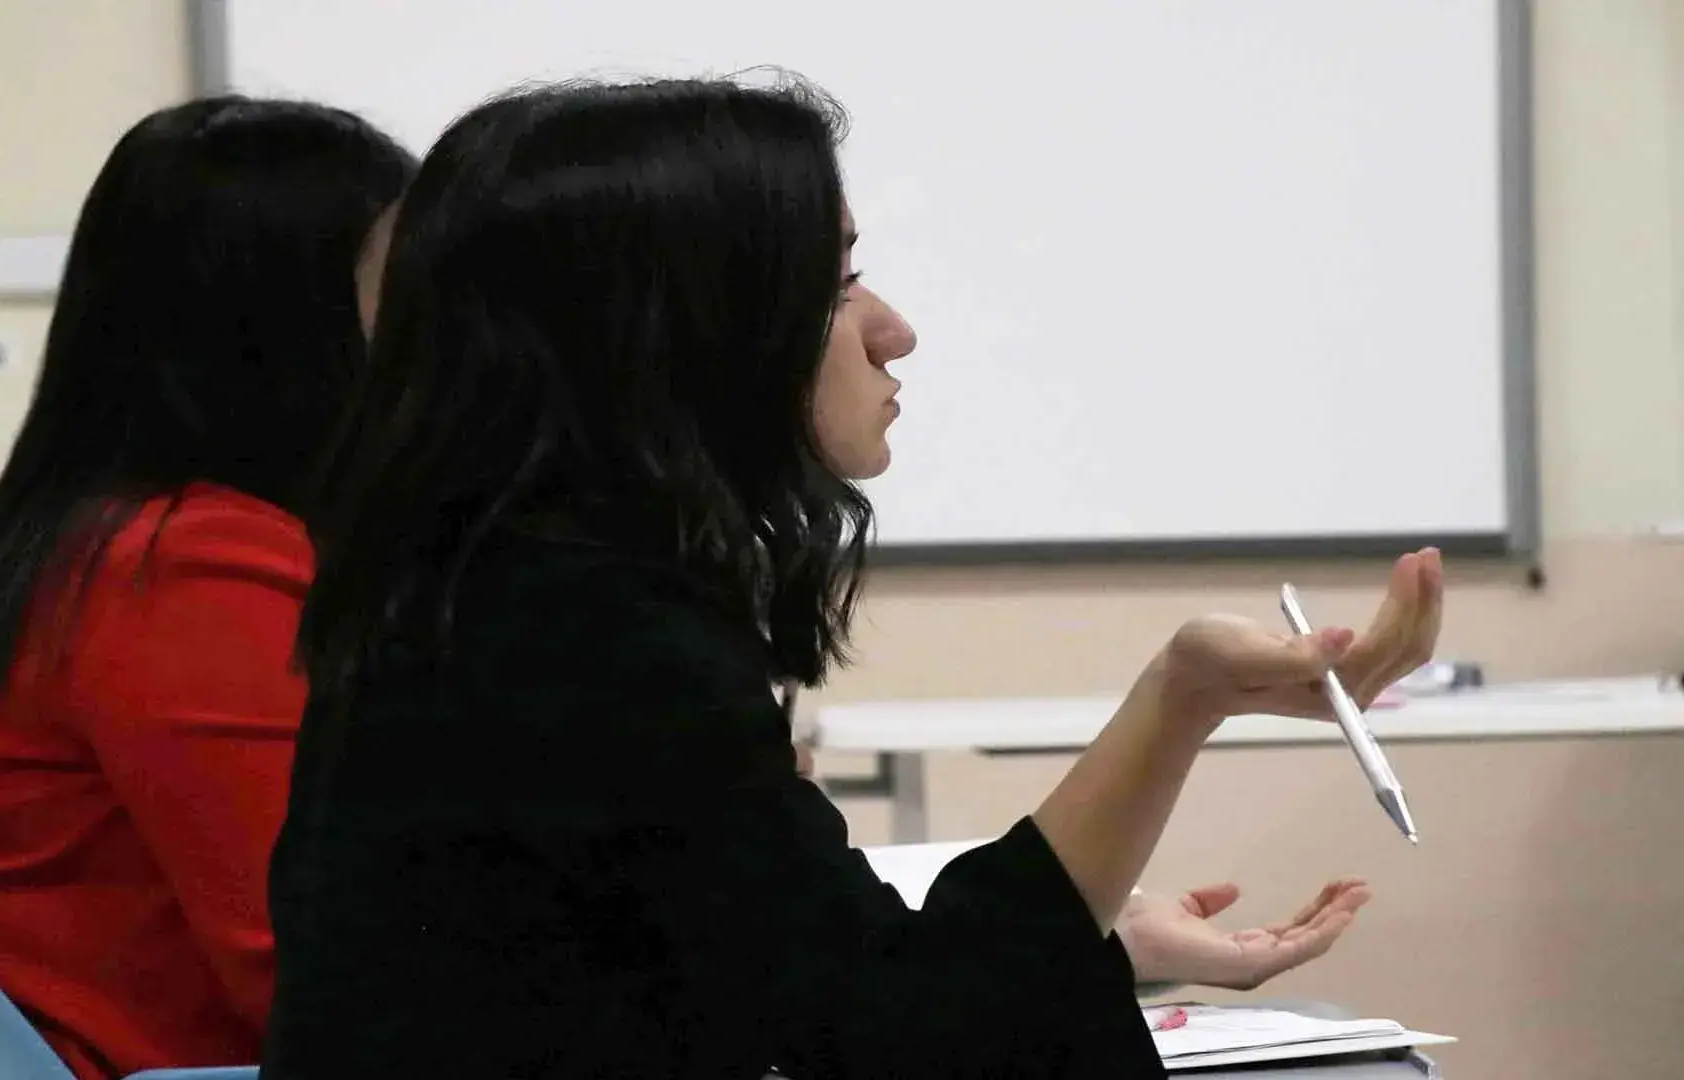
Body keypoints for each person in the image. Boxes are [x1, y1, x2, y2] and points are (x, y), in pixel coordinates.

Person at [264, 76, 1444, 1078]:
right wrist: (1182, 698)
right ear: (687, 333)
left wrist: (1181, 704)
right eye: (836, 284)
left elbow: (816, 978)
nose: (892, 330)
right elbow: (907, 1033)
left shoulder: (490, 590)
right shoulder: (591, 637)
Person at [0, 96, 417, 1080]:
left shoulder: (90, 534)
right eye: (406, 281)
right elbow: (312, 974)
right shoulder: (187, 566)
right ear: (290, 320)